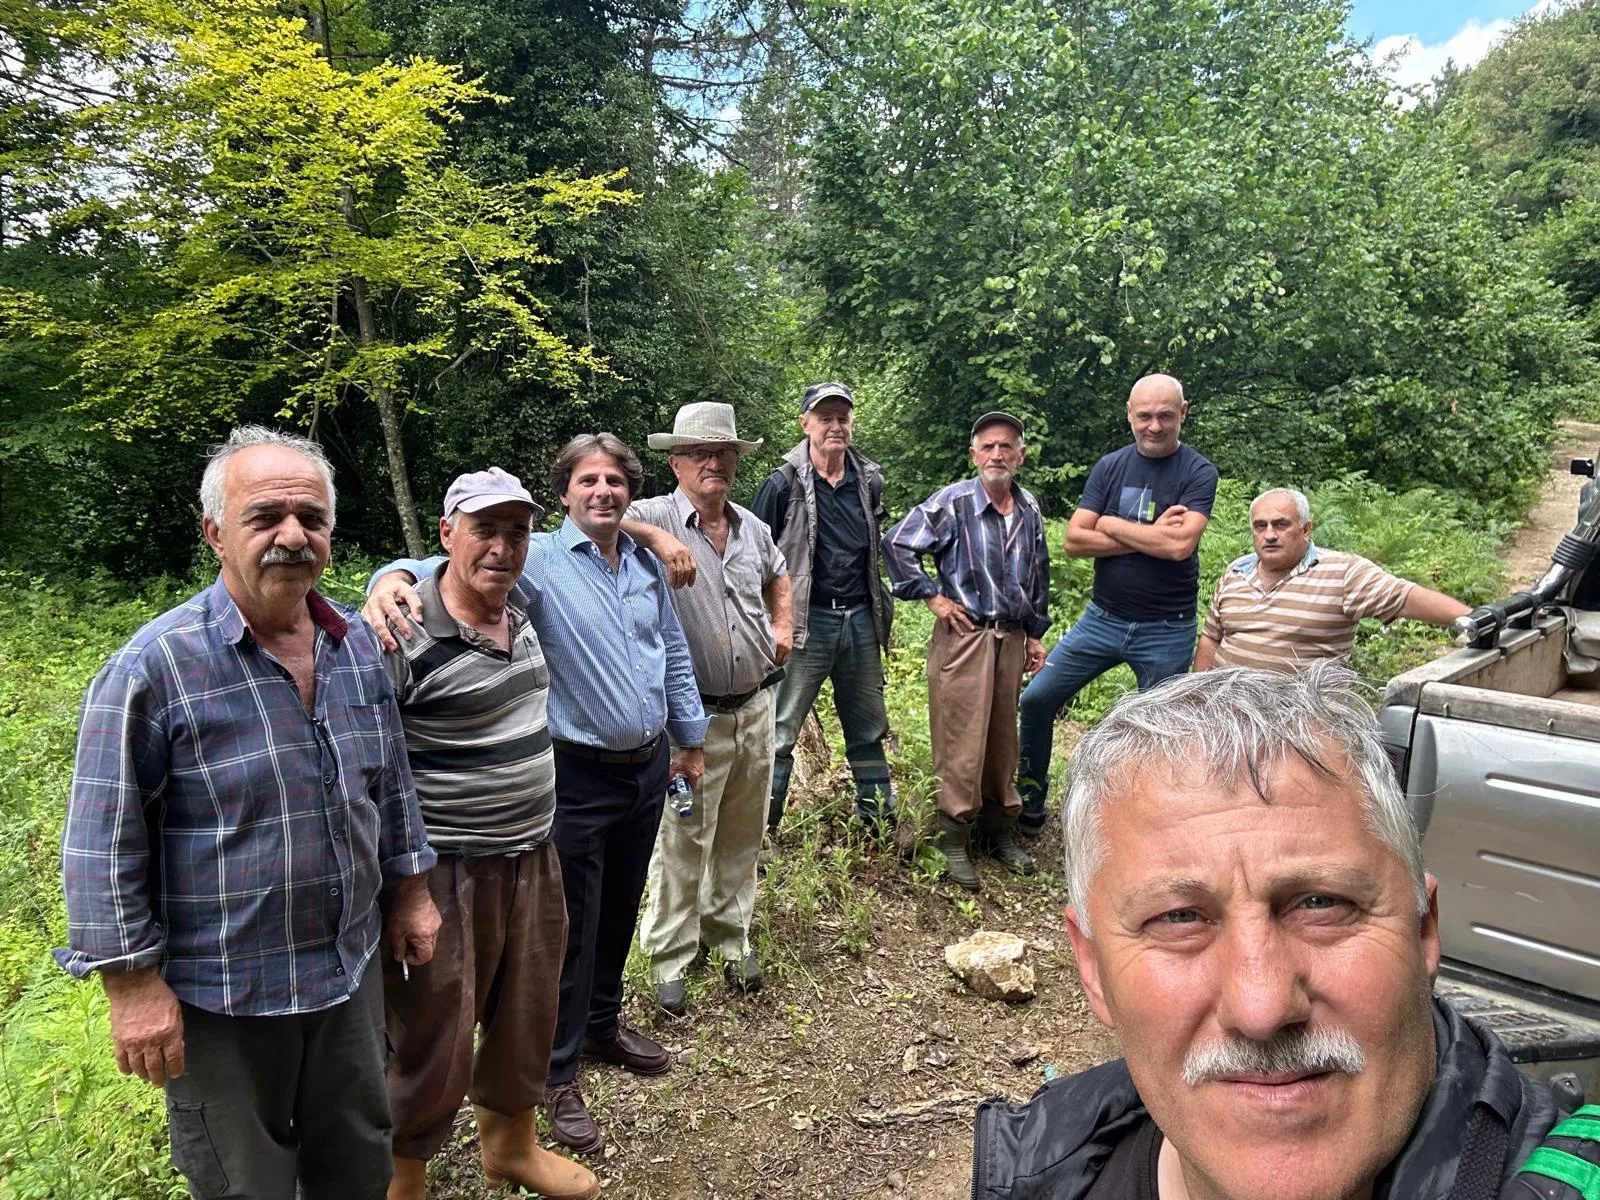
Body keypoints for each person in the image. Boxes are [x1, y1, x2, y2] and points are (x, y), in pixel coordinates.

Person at [972, 662, 1572, 1200]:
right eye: (1179, 918)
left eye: (1320, 904)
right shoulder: (1039, 1168)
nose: (1261, 1009)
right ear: (1093, 969)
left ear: (1423, 932)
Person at [56, 426, 440, 1200]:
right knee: (245, 1182)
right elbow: (101, 841)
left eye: (311, 518)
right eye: (266, 517)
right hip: (223, 996)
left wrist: (411, 889)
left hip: (348, 970)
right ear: (215, 534)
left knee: (359, 1159)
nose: (292, 535)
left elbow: (390, 781)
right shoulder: (155, 666)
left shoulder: (355, 647)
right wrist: (131, 987)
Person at [363, 433, 708, 1158]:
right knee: (567, 933)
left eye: (616, 480)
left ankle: (604, 1026)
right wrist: (389, 576)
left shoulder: (644, 562)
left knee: (619, 908)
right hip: (573, 774)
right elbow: (457, 563)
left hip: (645, 765)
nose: (604, 491)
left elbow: (671, 652)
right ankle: (556, 1075)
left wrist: (689, 738)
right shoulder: (538, 561)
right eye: (589, 479)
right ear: (565, 493)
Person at [380, 468, 598, 1200]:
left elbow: (604, 534)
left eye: (516, 530)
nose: (503, 547)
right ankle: (401, 1175)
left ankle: (509, 1147)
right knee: (431, 1032)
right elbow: (372, 770)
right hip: (447, 869)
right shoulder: (400, 635)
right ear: (447, 535)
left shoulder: (520, 607)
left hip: (533, 854)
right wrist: (405, 887)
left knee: (526, 1013)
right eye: (485, 529)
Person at [615, 402, 793, 1017]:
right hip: (691, 721)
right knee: (685, 834)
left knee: (744, 832)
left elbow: (778, 574)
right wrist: (663, 537)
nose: (712, 462)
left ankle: (730, 935)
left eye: (723, 452)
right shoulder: (649, 516)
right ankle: (669, 956)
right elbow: (595, 522)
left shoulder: (752, 526)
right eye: (698, 452)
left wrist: (784, 623)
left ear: (738, 460)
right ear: (676, 462)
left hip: (756, 705)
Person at [1015, 374, 1217, 837]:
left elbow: (1179, 547)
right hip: (1102, 619)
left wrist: (1109, 522)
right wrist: (1149, 535)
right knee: (1037, 698)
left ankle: (1149, 822)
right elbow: (1074, 541)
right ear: (1129, 413)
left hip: (1168, 627)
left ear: (1183, 413)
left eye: (1165, 415)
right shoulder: (1111, 466)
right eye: (1144, 415)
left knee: (1160, 729)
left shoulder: (1198, 472)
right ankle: (1030, 802)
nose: (1154, 425)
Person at [882, 413, 1050, 891]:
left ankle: (999, 830)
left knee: (1002, 738)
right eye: (988, 447)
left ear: (1020, 454)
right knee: (960, 736)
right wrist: (933, 597)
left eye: (1007, 447)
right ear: (974, 455)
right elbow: (897, 543)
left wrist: (1034, 632)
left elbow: (1039, 571)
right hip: (967, 636)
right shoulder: (954, 502)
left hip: (1012, 636)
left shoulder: (1029, 508)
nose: (997, 455)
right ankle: (953, 835)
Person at [752, 382, 896, 829]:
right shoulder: (781, 485)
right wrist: (773, 621)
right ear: (805, 424)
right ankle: (761, 832)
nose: (835, 426)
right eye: (825, 417)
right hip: (805, 623)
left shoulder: (869, 481)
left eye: (842, 417)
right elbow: (756, 558)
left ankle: (876, 823)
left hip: (860, 620)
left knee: (869, 728)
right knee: (779, 732)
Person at [1194, 487, 1470, 672]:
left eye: (1281, 524)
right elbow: (1211, 637)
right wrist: (1199, 699)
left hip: (1299, 724)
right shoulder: (1236, 572)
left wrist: (1475, 619)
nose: (1269, 535)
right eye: (1260, 526)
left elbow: (1406, 598)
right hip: (1227, 717)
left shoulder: (1343, 573)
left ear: (1305, 529)